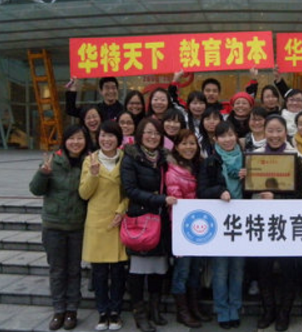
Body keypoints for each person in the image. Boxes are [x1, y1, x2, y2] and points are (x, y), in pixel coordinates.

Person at [29, 124, 89, 331]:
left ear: (85, 141)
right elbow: (35, 190)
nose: (76, 142)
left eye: (80, 138)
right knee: (57, 270)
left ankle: (72, 310)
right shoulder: (53, 161)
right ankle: (59, 310)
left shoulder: (88, 161)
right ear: (65, 141)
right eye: (72, 138)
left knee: (74, 269)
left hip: (77, 225)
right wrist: (43, 173)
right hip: (54, 225)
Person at [251, 115, 302, 332]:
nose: (274, 135)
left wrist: (277, 197)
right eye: (270, 130)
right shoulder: (254, 156)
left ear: (286, 132)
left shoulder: (296, 156)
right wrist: (245, 178)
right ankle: (268, 311)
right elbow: (247, 193)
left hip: (287, 222)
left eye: (279, 131)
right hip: (262, 222)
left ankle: (284, 313)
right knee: (263, 268)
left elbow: (300, 192)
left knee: (288, 269)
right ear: (264, 132)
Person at [121, 118, 177, 332]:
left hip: (161, 220)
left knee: (158, 268)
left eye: (156, 133)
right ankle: (140, 312)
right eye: (148, 132)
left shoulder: (164, 158)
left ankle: (155, 308)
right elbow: (130, 190)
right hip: (141, 219)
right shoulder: (131, 157)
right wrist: (160, 199)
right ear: (140, 134)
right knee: (138, 270)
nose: (152, 137)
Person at [78, 121, 128, 331]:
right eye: (103, 135)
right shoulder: (90, 160)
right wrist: (93, 174)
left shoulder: (125, 159)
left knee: (117, 271)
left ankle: (115, 311)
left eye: (111, 136)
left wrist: (122, 210)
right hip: (97, 221)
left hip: (118, 220)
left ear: (118, 139)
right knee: (98, 273)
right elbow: (84, 193)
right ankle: (102, 311)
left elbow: (129, 190)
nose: (106, 140)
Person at [197, 121, 246, 329]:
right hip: (220, 222)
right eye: (222, 136)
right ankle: (222, 309)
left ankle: (235, 308)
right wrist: (219, 191)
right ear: (215, 139)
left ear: (236, 136)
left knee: (238, 268)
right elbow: (202, 191)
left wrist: (249, 179)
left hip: (243, 221)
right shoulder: (211, 162)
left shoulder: (247, 160)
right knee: (220, 269)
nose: (227, 139)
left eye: (230, 135)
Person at [165, 129, 211, 328]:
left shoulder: (199, 166)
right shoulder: (173, 171)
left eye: (192, 143)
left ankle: (194, 307)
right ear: (176, 147)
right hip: (182, 229)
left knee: (195, 269)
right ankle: (182, 311)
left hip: (200, 228)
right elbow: (176, 206)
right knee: (182, 271)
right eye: (184, 143)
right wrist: (179, 232)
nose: (188, 147)